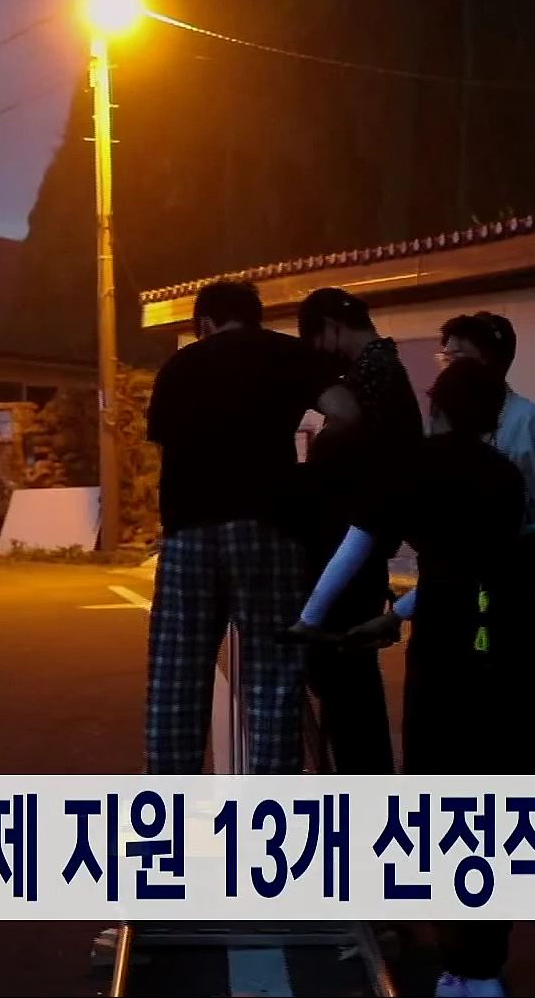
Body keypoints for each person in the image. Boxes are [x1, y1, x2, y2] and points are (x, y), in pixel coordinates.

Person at [293, 357, 535, 998]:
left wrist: (311, 617)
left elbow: (362, 541)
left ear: (436, 407)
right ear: (494, 414)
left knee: (441, 792)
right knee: (497, 792)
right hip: (507, 642)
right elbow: (480, 570)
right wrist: (396, 615)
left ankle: (459, 961)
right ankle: (483, 964)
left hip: (447, 648)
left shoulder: (414, 466)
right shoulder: (502, 474)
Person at [145, 280, 333, 775]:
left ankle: (170, 800)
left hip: (189, 532)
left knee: (177, 675)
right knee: (273, 675)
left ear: (204, 323)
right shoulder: (287, 354)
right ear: (254, 315)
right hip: (267, 527)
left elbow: (164, 447)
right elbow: (347, 411)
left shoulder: (179, 366)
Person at [290, 287, 422, 774]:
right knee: (350, 688)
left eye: (315, 341)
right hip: (358, 549)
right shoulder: (383, 371)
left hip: (350, 553)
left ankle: (363, 793)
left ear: (330, 328)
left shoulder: (373, 377)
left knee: (348, 688)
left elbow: (357, 469)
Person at [438, 311, 535, 773]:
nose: (448, 366)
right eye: (445, 357)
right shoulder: (454, 428)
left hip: (516, 593)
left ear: (491, 359)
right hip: (467, 600)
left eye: (458, 356)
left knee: (520, 723)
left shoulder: (530, 423)